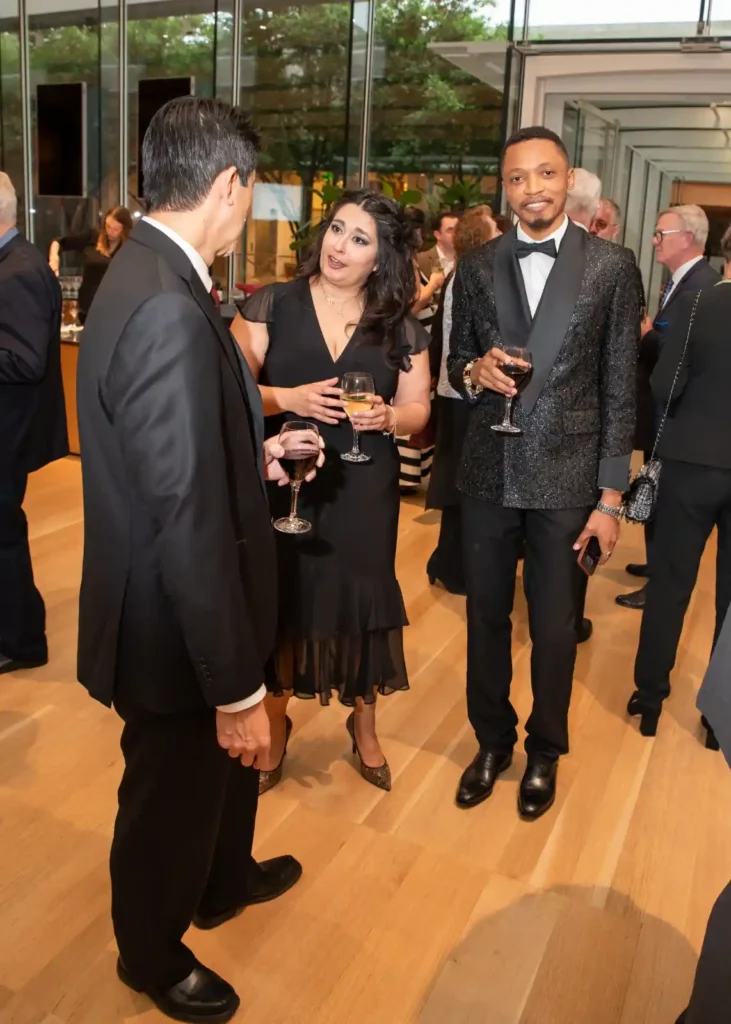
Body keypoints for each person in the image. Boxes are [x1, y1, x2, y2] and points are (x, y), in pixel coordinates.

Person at [76, 98, 308, 1024]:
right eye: (252, 188)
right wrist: (236, 687)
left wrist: (255, 453)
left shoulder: (147, 268)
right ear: (228, 184)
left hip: (184, 596)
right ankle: (149, 952)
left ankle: (222, 880)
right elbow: (182, 516)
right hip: (172, 621)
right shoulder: (167, 304)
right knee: (168, 794)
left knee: (212, 781)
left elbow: (168, 450)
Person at [448, 125, 640, 820]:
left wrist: (611, 499)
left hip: (569, 479)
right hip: (487, 473)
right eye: (517, 177)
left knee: (556, 629)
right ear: (505, 188)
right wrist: (473, 371)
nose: (532, 188)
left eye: (545, 173)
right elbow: (455, 363)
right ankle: (491, 742)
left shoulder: (612, 266)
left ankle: (544, 751)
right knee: (484, 620)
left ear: (568, 179)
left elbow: (621, 388)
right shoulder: (476, 266)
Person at [232, 189, 431, 795]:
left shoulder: (400, 326)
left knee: (361, 597)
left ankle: (363, 724)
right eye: (337, 229)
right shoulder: (271, 305)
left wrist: (388, 419)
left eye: (359, 238)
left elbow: (418, 410)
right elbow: (229, 392)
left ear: (381, 258)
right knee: (284, 596)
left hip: (365, 486)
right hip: (285, 476)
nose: (339, 246)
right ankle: (275, 722)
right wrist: (288, 398)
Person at [627, 228, 731, 739]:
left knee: (670, 583)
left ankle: (649, 700)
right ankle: (719, 716)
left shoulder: (699, 303)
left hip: (691, 461)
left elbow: (664, 383)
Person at [618, 204, 720, 611]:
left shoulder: (703, 286)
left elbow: (683, 351)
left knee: (665, 500)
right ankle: (654, 565)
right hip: (660, 411)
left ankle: (658, 582)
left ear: (688, 238)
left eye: (662, 234)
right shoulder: (682, 281)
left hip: (676, 416)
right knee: (655, 492)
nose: (654, 241)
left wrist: (647, 335)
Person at [0, 172, 67, 675]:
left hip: (8, 433)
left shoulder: (17, 271)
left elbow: (24, 361)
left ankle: (21, 642)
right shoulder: (16, 262)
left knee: (4, 539)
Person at [426, 205, 498, 595]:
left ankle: (447, 562)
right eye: (495, 232)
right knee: (462, 485)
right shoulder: (471, 276)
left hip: (457, 391)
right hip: (462, 393)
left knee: (459, 484)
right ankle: (452, 567)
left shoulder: (462, 273)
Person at [48, 205, 133, 324]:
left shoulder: (130, 248)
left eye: (115, 229)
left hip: (116, 312)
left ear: (124, 229)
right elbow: (58, 242)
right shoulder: (92, 238)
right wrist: (54, 259)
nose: (110, 232)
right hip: (87, 309)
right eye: (108, 226)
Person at [418, 210, 460, 281]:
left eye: (458, 230)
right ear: (437, 235)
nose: (455, 234)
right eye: (450, 230)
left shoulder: (467, 260)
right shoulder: (420, 260)